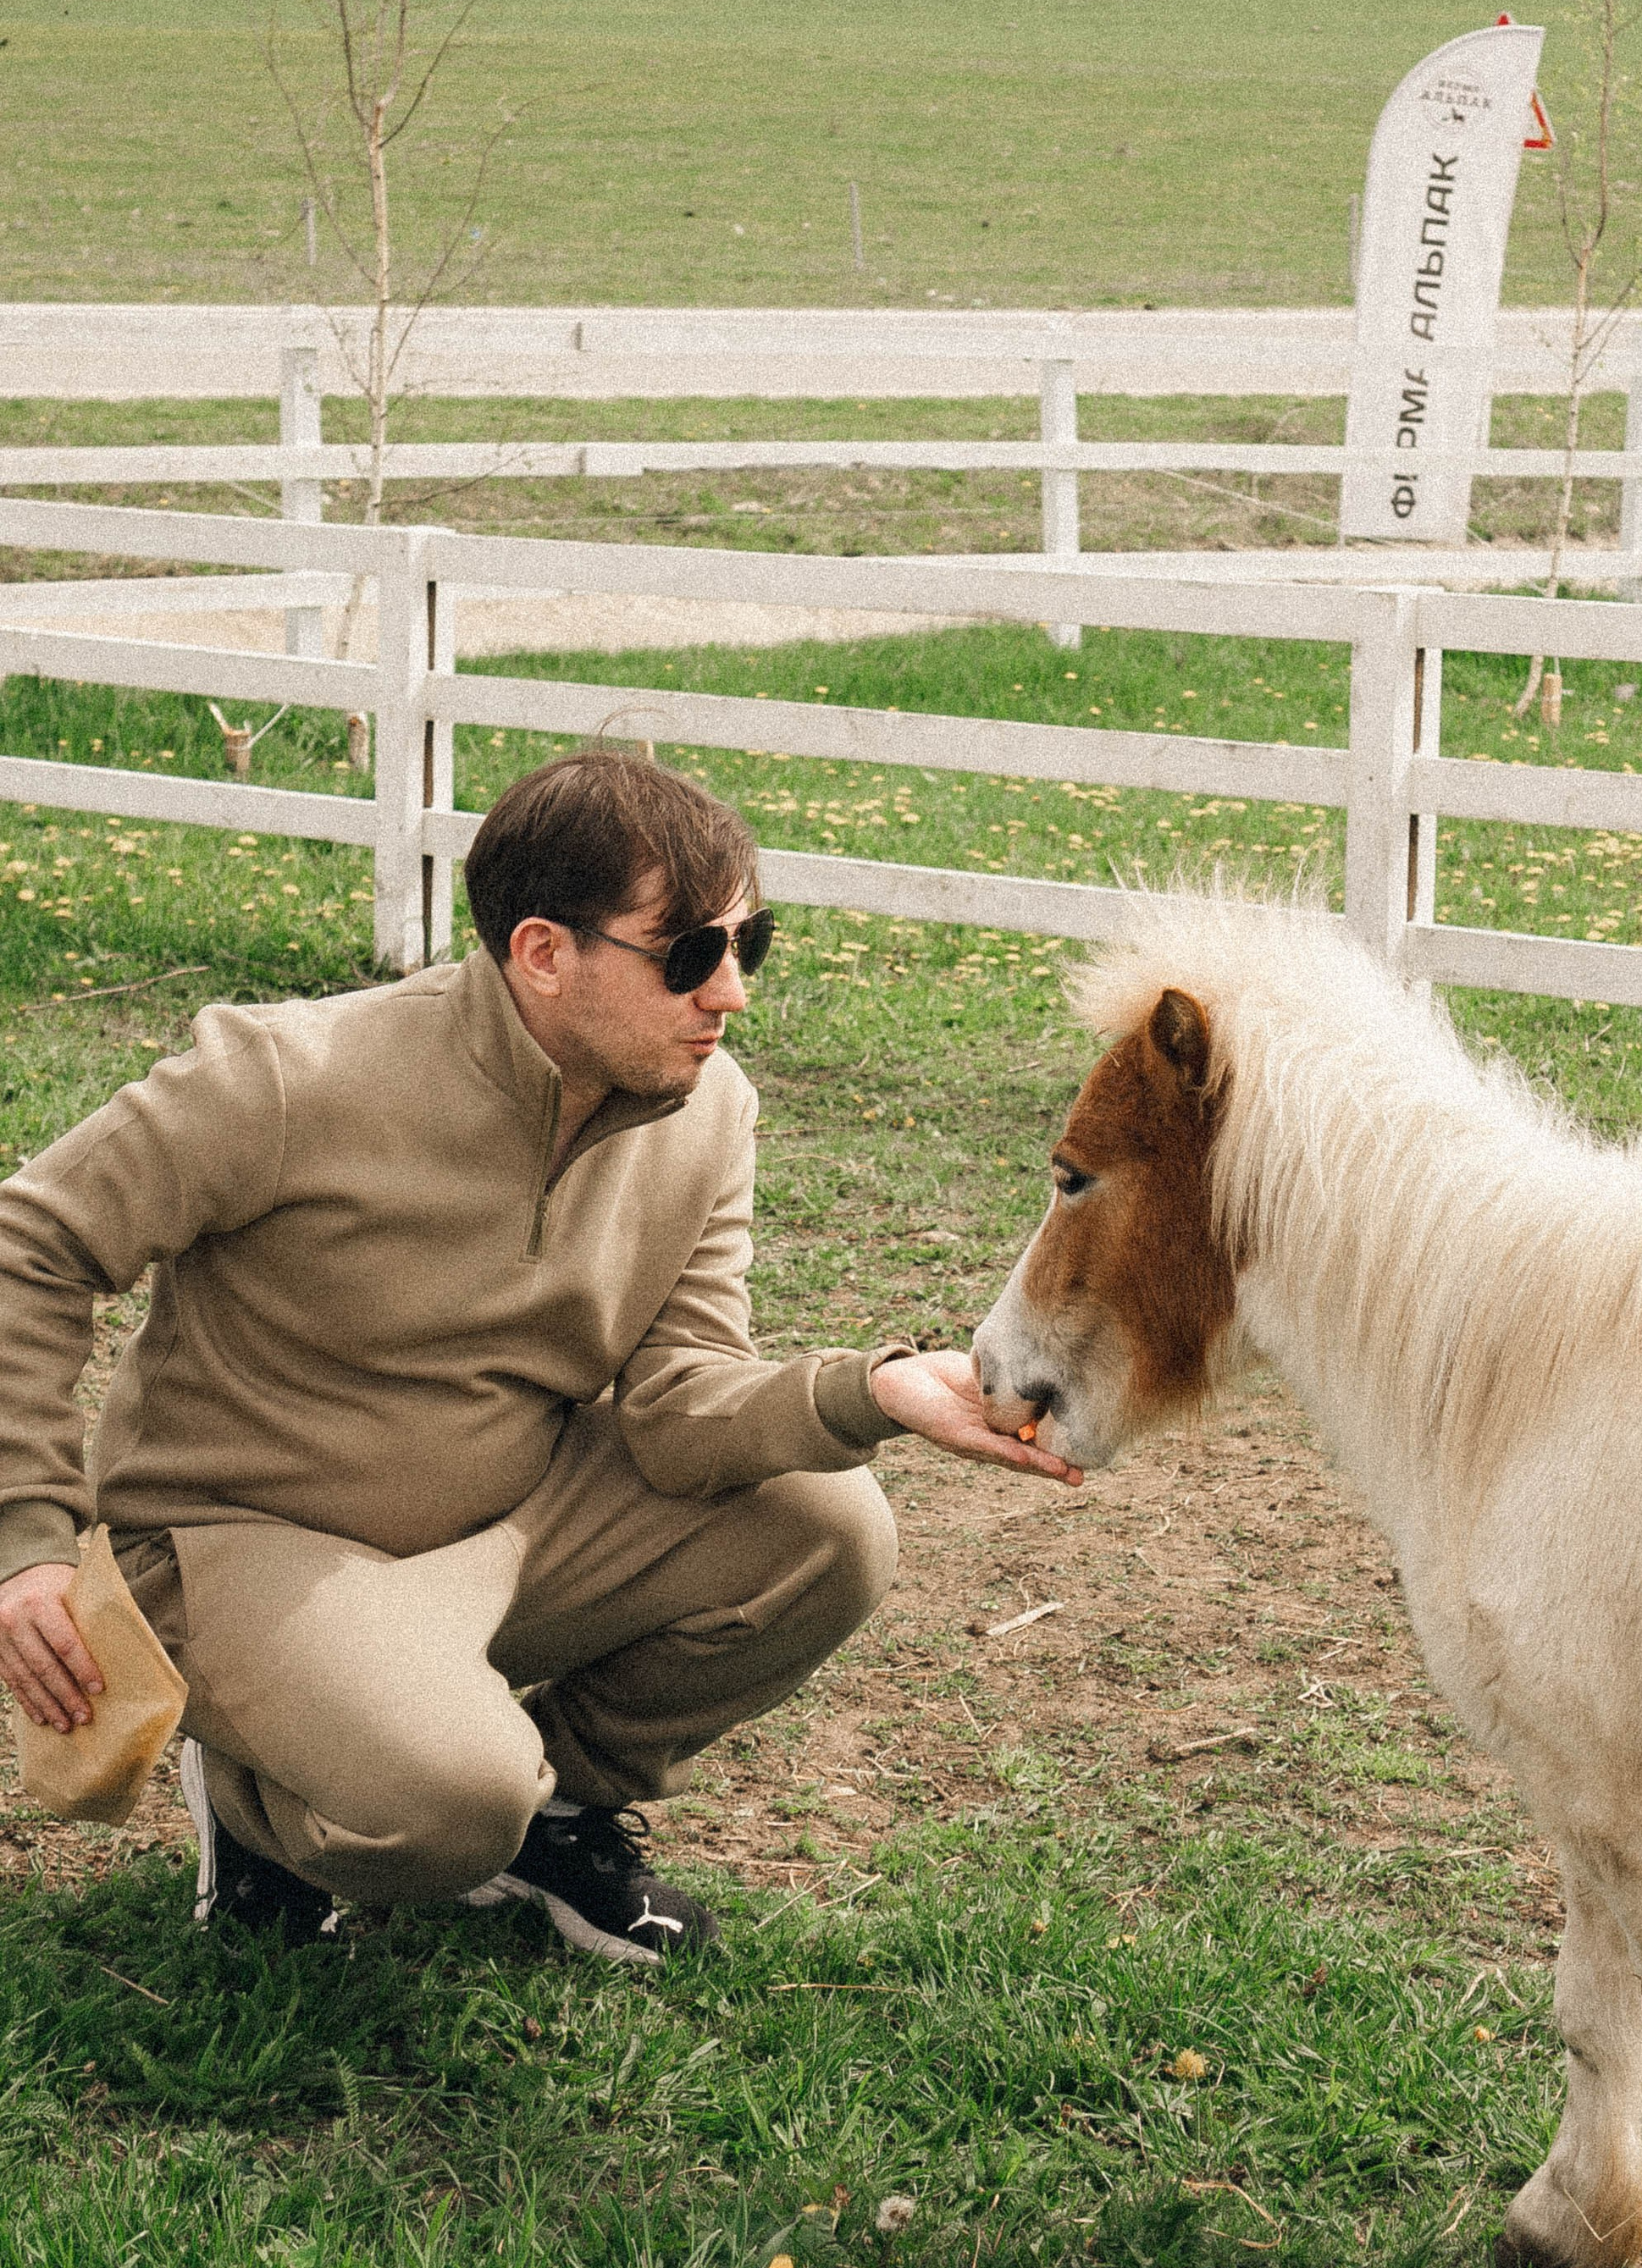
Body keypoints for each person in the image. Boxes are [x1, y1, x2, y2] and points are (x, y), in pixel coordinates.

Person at [0, 751, 1075, 1962]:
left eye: (749, 945)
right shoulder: (286, 1078)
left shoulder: (709, 1114)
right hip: (244, 1537)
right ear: (543, 953)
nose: (731, 994)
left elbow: (679, 1410)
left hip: (514, 1522)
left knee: (829, 1528)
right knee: (445, 1799)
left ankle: (556, 1817)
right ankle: (260, 1800)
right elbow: (29, 1243)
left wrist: (867, 1392)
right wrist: (25, 1538)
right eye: (687, 955)